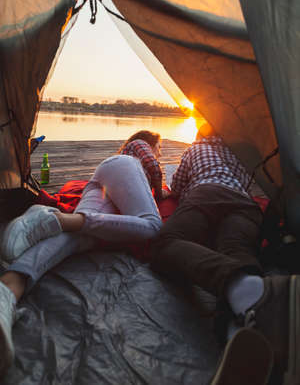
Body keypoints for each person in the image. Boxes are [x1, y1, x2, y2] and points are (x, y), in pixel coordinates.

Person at [0, 130, 165, 375]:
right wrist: (160, 193)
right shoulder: (138, 148)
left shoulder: (118, 170)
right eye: (159, 148)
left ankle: (8, 290)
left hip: (99, 182)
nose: (159, 152)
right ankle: (55, 219)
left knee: (78, 236)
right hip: (118, 168)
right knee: (152, 225)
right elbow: (152, 165)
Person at [150, 123, 300, 385]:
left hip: (206, 195)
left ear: (200, 135)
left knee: (166, 243)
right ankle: (243, 328)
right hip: (245, 205)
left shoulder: (196, 148)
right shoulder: (240, 154)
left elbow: (176, 187)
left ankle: (251, 290)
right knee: (236, 249)